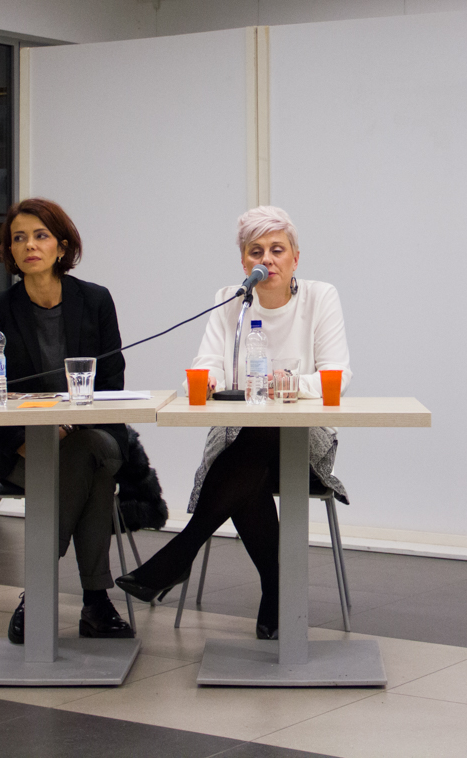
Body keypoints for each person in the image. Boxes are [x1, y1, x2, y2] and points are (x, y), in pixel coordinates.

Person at [116, 205, 351, 639]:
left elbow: (337, 374)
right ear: (244, 262)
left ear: (296, 257)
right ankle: (275, 590)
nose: (267, 259)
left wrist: (287, 384)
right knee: (249, 467)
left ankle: (180, 553)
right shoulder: (231, 300)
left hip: (303, 443)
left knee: (255, 447)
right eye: (255, 251)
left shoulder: (320, 297)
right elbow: (206, 366)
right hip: (237, 442)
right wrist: (209, 380)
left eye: (277, 249)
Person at [0, 198, 134, 644]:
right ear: (10, 249)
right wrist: (23, 444)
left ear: (62, 247)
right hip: (26, 451)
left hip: (92, 436)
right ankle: (96, 602)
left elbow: (112, 383)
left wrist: (72, 430)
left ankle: (37, 592)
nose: (29, 246)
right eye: (19, 238)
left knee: (87, 451)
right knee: (94, 475)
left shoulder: (95, 300)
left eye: (40, 236)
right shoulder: (0, 307)